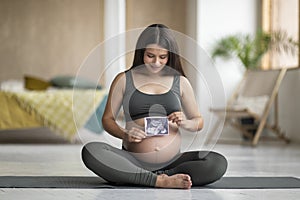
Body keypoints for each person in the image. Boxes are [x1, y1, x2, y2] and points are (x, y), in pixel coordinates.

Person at [81, 24, 227, 189]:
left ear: (170, 56)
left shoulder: (181, 82)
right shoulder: (123, 79)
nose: (156, 63)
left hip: (173, 163)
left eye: (163, 57)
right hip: (132, 160)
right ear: (141, 52)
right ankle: (159, 180)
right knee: (91, 151)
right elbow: (107, 119)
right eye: (150, 56)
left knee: (217, 163)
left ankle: (141, 177)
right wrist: (124, 133)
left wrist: (186, 123)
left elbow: (198, 121)